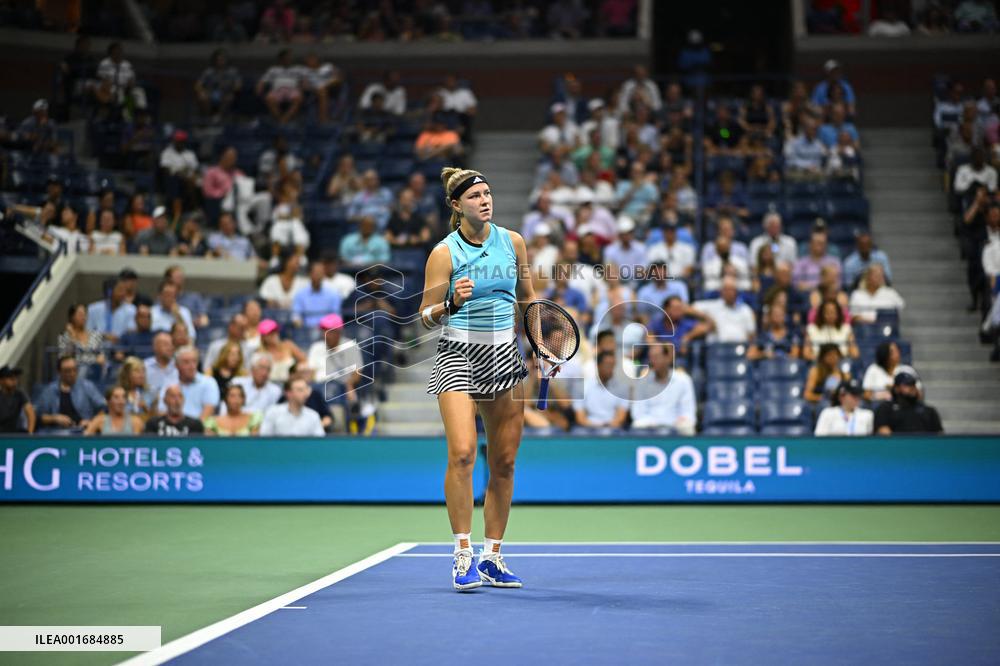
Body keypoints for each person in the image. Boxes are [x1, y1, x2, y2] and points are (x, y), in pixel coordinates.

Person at [419, 166, 535, 591]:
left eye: (488, 193)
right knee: (464, 453)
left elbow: (528, 298)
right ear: (456, 205)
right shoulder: (444, 254)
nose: (485, 200)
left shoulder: (513, 242)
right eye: (474, 196)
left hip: (504, 355)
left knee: (504, 461)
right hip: (458, 355)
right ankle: (462, 553)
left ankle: (493, 556)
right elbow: (425, 317)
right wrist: (450, 301)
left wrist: (540, 345)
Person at [629, 342, 696, 434]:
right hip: (650, 426)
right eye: (651, 357)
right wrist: (655, 424)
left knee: (687, 426)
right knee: (638, 425)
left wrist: (678, 422)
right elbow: (638, 413)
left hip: (676, 425)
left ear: (668, 358)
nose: (653, 361)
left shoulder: (684, 380)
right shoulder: (642, 382)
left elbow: (688, 412)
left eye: (656, 357)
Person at [36, 355, 106, 430]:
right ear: (59, 372)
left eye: (74, 370)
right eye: (67, 371)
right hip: (57, 432)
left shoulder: (87, 386)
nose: (72, 374)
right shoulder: (50, 390)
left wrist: (92, 423)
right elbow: (39, 416)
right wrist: (55, 418)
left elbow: (102, 409)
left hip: (84, 431)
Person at [157, 347, 219, 421]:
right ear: (176, 365)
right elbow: (161, 412)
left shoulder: (209, 382)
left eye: (194, 361)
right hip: (173, 428)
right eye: (186, 362)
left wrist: (192, 429)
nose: (191, 366)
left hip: (198, 429)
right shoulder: (169, 384)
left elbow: (207, 414)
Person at [574, 351, 628, 429]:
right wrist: (597, 427)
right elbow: (580, 418)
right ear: (598, 366)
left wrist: (607, 428)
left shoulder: (622, 388)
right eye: (607, 365)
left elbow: (621, 417)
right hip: (589, 430)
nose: (611, 369)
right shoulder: (583, 387)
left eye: (612, 365)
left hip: (613, 430)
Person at [874, 372, 943, 434]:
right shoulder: (886, 408)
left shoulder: (929, 411)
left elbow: (939, 436)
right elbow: (884, 433)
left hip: (925, 447)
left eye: (913, 384)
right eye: (907, 385)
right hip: (897, 446)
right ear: (896, 388)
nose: (912, 388)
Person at [260, 377, 325, 436]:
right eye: (300, 390)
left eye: (306, 389)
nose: (305, 393)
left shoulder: (313, 416)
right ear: (288, 393)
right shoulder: (272, 413)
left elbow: (319, 443)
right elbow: (264, 440)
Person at [257, 49, 303, 124]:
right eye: (285, 58)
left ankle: (284, 120)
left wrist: (302, 87)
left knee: (298, 98)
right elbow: (263, 80)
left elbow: (303, 81)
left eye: (289, 58)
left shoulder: (297, 69)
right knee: (269, 98)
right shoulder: (273, 69)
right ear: (280, 59)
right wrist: (259, 86)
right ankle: (280, 119)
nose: (287, 59)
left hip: (292, 89)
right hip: (277, 90)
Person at [293, 261, 342, 329]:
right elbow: (296, 315)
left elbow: (336, 317)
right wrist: (299, 325)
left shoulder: (333, 294)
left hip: (327, 331)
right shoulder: (300, 294)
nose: (318, 275)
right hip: (306, 332)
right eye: (316, 272)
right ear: (309, 274)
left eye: (321, 273)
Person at [257, 319, 306, 384]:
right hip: (270, 385)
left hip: (290, 384)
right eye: (269, 333)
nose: (273, 334)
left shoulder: (288, 345)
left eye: (275, 331)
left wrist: (296, 370)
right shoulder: (260, 353)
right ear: (263, 337)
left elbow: (304, 360)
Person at [117, 356, 155, 421]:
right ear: (127, 374)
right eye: (137, 371)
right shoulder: (117, 393)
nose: (141, 375)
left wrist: (145, 408)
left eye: (143, 371)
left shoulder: (150, 393)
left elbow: (156, 418)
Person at [0, 365, 35, 433]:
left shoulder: (20, 394)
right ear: (1, 380)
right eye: (10, 377)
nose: (14, 380)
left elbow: (31, 413)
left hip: (16, 434)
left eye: (15, 377)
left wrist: (30, 434)